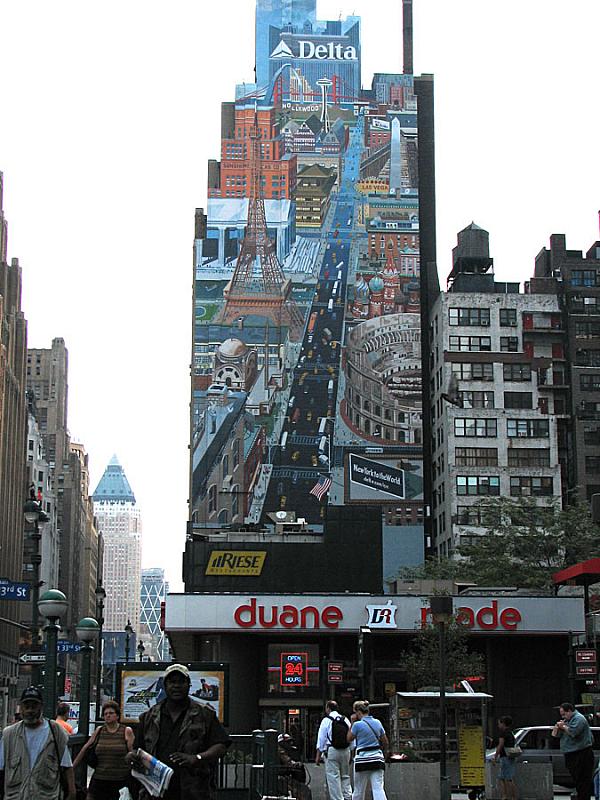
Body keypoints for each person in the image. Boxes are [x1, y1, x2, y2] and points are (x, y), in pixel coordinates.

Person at [126, 664, 231, 800]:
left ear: (189, 685)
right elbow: (138, 749)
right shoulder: (148, 717)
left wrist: (197, 758)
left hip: (194, 791)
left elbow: (221, 746)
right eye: (172, 682)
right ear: (165, 685)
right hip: (155, 792)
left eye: (181, 682)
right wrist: (132, 756)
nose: (176, 686)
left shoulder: (205, 714)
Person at [0, 685, 76, 800]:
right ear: (21, 708)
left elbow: (67, 766)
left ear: (41, 707)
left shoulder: (56, 732)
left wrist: (72, 793)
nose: (30, 710)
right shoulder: (9, 735)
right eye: (27, 706)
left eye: (34, 706)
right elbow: (1, 769)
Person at [73, 700, 135, 800]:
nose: (108, 716)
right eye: (105, 714)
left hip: (120, 780)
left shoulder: (126, 731)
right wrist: (72, 767)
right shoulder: (99, 730)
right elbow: (85, 748)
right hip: (100, 779)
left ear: (117, 716)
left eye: (111, 713)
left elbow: (132, 754)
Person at [552, 701, 594, 800]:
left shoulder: (579, 719)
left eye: (564, 714)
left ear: (570, 711)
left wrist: (564, 727)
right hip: (570, 754)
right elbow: (555, 735)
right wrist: (557, 728)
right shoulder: (567, 721)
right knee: (576, 779)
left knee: (582, 780)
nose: (563, 717)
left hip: (581, 753)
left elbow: (573, 732)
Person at [347, 700, 388, 800]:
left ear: (358, 712)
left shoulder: (357, 725)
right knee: (378, 788)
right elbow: (385, 741)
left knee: (359, 790)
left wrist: (352, 722)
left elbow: (349, 738)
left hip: (362, 759)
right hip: (377, 759)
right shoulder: (378, 723)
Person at [315, 700, 352, 800]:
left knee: (333, 777)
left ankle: (338, 798)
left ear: (328, 708)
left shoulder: (326, 720)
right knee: (345, 776)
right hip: (346, 750)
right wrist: (351, 751)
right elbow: (351, 736)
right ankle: (348, 796)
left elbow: (321, 739)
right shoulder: (345, 720)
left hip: (332, 750)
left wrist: (318, 755)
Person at [494, 716, 518, 800]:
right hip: (511, 756)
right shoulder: (511, 733)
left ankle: (507, 796)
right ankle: (509, 796)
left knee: (506, 778)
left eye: (499, 723)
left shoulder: (503, 733)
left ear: (503, 723)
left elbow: (500, 745)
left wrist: (495, 756)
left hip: (504, 757)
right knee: (505, 778)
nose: (498, 725)